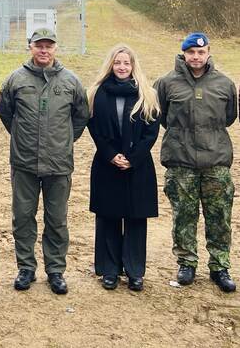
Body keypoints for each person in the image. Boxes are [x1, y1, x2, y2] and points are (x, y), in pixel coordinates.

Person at [0, 28, 90, 295]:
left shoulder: (71, 81)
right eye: (39, 45)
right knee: (23, 217)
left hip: (58, 164)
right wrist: (22, 138)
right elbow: (6, 113)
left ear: (55, 48)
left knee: (57, 219)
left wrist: (63, 141)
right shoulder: (16, 79)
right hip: (25, 162)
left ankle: (56, 270)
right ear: (30, 47)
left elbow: (81, 116)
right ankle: (26, 268)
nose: (44, 50)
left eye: (49, 46)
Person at [156, 32, 238, 292]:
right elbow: (162, 116)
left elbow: (229, 117)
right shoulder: (166, 83)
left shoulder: (224, 84)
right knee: (184, 216)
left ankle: (220, 266)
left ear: (208, 53)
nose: (196, 57)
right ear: (184, 54)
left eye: (201, 52)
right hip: (181, 160)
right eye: (191, 52)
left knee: (219, 217)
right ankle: (186, 263)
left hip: (216, 161)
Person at [87, 44, 160, 291]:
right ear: (111, 65)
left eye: (126, 63)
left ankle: (135, 271)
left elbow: (151, 131)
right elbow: (94, 127)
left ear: (133, 65)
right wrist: (110, 154)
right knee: (108, 217)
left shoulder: (147, 94)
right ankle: (109, 270)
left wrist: (133, 157)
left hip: (138, 165)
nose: (121, 67)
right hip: (107, 164)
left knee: (135, 218)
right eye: (117, 62)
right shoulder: (97, 93)